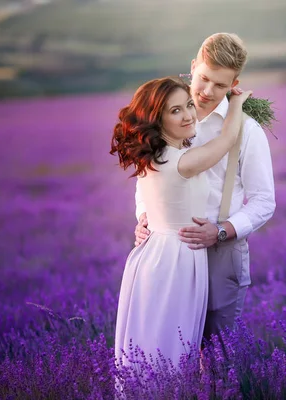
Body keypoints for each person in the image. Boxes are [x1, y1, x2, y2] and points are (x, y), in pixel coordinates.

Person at [134, 33, 276, 345]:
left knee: (215, 356)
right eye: (204, 79)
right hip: (167, 252)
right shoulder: (165, 116)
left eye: (221, 85)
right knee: (163, 348)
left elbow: (265, 201)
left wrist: (221, 230)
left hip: (220, 253)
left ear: (235, 83)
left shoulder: (247, 130)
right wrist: (145, 217)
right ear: (194, 66)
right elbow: (150, 174)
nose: (208, 92)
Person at [111, 76, 252, 368]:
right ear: (157, 119)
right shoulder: (181, 162)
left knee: (153, 343)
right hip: (175, 260)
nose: (188, 115)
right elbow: (226, 141)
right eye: (175, 111)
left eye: (188, 105)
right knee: (170, 347)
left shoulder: (154, 157)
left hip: (154, 255)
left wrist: (144, 218)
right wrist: (236, 102)